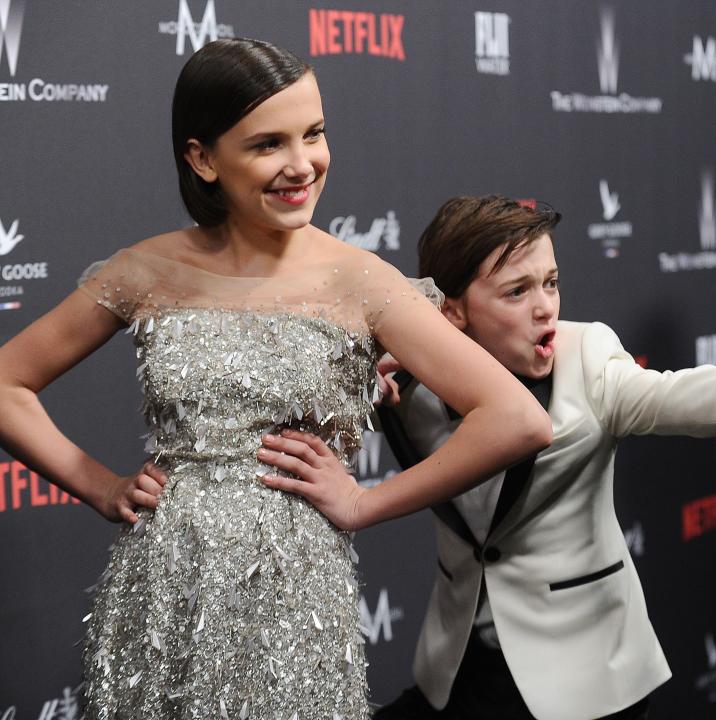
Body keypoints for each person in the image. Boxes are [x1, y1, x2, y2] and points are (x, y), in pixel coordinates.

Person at [0, 45, 551, 719]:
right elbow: (8, 383)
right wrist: (98, 484)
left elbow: (516, 417)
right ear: (203, 158)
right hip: (162, 584)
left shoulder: (361, 280)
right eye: (269, 144)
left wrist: (366, 503)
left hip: (293, 598)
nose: (302, 164)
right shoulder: (146, 270)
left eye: (314, 134)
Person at [264, 195, 716, 720]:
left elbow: (705, 393)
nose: (546, 309)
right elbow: (260, 419)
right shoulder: (403, 382)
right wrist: (158, 484)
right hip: (458, 666)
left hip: (585, 674)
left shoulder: (589, 356)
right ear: (450, 313)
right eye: (517, 291)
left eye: (552, 283)